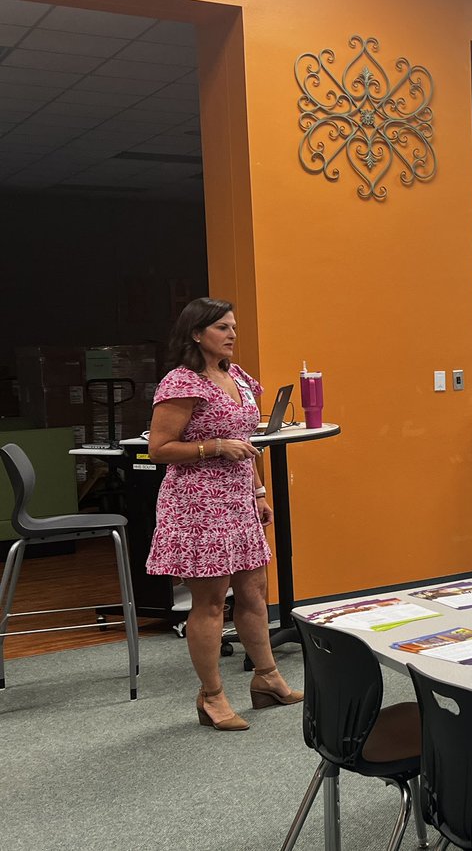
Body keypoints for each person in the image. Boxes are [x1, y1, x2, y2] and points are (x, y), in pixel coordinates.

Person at [147, 297, 301, 731]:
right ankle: (211, 696)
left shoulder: (238, 377)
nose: (232, 334)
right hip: (198, 502)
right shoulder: (181, 382)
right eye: (222, 328)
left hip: (238, 499)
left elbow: (243, 440)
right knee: (212, 601)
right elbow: (159, 449)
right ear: (197, 333)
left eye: (234, 326)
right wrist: (212, 447)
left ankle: (267, 679)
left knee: (254, 591)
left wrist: (259, 492)